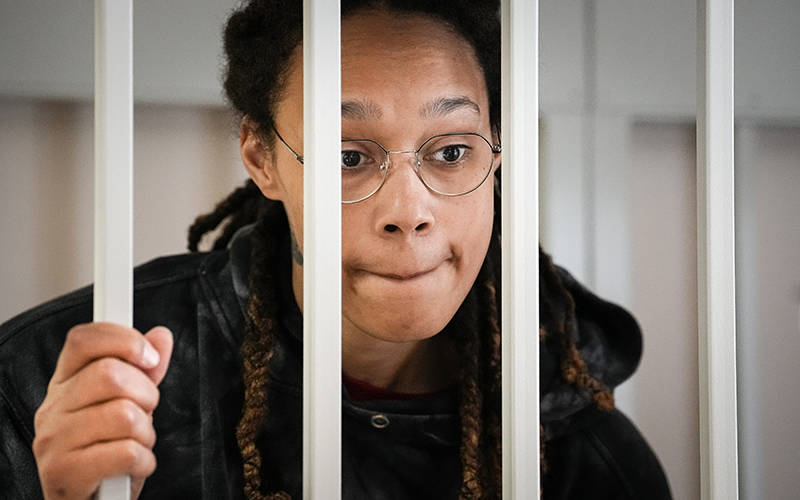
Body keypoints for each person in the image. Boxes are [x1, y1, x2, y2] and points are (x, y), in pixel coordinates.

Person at [0, 0, 672, 499]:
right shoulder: (61, 383)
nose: (409, 213)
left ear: (496, 153)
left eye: (452, 152)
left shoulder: (579, 436)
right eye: (348, 156)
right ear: (262, 159)